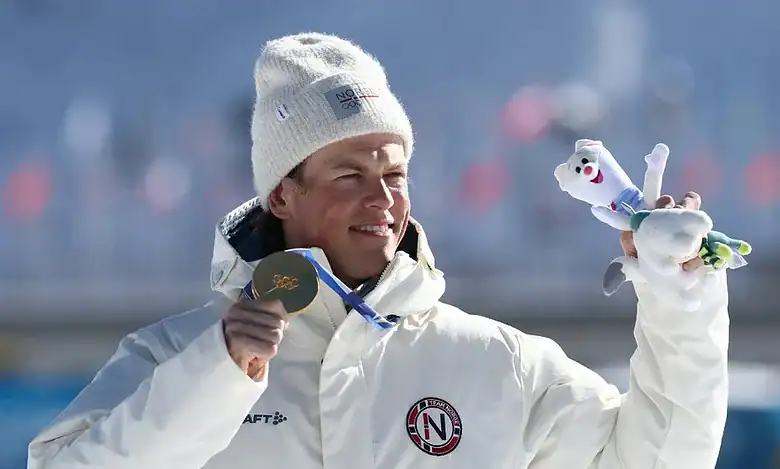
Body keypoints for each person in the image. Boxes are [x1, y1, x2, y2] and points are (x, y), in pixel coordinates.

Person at [28, 33, 729, 469]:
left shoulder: (499, 363)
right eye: (349, 176)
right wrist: (218, 372)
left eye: (394, 175)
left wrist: (679, 296)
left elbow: (659, 459)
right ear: (283, 195)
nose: (382, 200)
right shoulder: (176, 358)